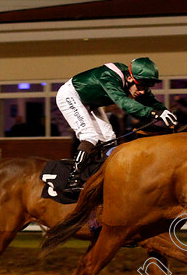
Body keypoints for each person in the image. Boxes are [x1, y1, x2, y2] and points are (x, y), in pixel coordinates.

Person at [56, 57, 176, 192]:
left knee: (109, 138)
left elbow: (151, 101)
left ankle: (102, 176)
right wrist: (153, 114)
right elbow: (124, 102)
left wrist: (166, 113)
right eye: (141, 86)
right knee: (89, 135)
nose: (142, 91)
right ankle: (72, 181)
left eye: (146, 87)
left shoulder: (134, 81)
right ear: (130, 79)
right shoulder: (109, 76)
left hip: (90, 102)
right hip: (71, 96)